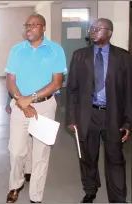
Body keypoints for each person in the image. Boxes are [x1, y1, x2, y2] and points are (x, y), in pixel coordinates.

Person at [66, 18, 131, 203]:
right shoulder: (80, 56)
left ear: (109, 32)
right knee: (87, 156)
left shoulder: (124, 57)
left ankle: (118, 198)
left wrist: (128, 121)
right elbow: (72, 89)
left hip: (113, 116)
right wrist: (71, 117)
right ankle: (90, 189)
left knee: (115, 158)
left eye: (98, 28)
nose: (93, 31)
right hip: (88, 115)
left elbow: (129, 92)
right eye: (92, 28)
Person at [5, 14, 66, 203]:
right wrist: (22, 102)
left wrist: (30, 99)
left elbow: (57, 83)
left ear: (43, 28)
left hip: (45, 106)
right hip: (19, 104)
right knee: (16, 151)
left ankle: (36, 197)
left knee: (41, 154)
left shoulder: (55, 50)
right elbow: (10, 81)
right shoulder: (17, 50)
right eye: (27, 25)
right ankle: (16, 185)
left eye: (34, 25)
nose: (29, 28)